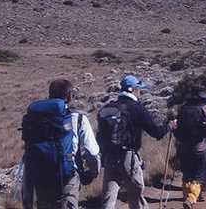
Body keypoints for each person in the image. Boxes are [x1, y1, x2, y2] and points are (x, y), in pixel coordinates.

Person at [99, 75, 176, 209]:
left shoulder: (108, 107)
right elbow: (156, 132)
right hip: (129, 158)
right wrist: (169, 127)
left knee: (108, 197)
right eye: (139, 89)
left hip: (109, 157)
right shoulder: (137, 108)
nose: (140, 92)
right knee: (136, 196)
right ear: (134, 90)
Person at [22, 79, 100, 209]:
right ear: (70, 96)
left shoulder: (36, 119)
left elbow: (28, 153)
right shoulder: (78, 119)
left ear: (50, 95)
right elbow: (92, 151)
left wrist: (27, 198)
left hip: (41, 176)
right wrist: (93, 173)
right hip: (67, 178)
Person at [174, 85, 206, 209]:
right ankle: (191, 198)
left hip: (183, 147)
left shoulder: (183, 109)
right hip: (200, 146)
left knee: (187, 174)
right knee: (199, 174)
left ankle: (186, 195)